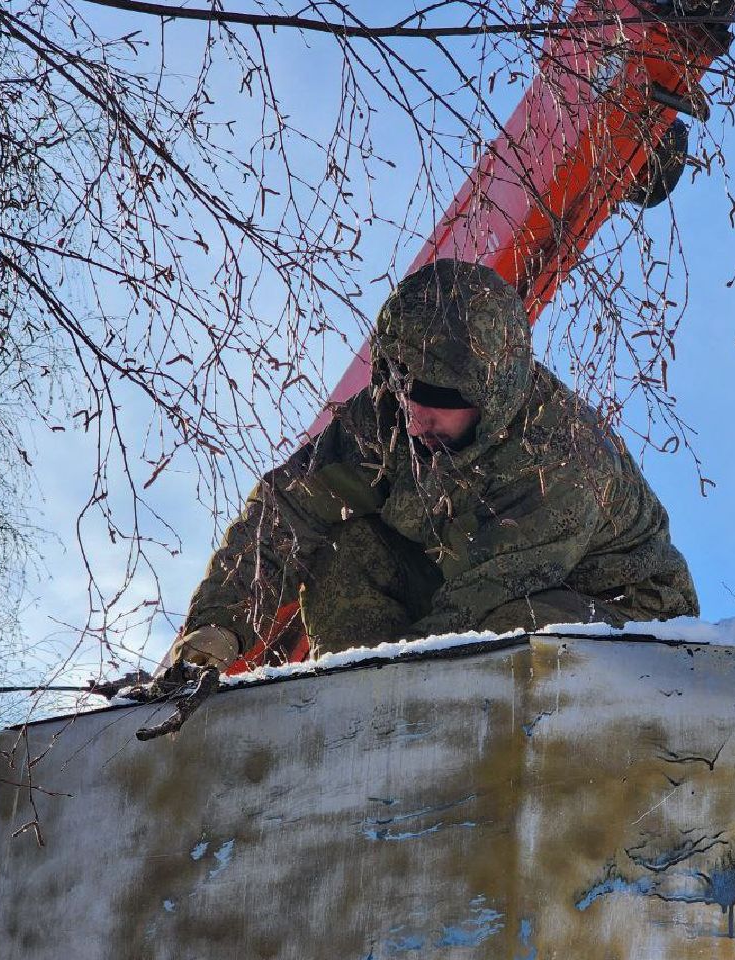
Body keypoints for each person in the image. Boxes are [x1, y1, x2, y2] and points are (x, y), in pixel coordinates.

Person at [170, 259, 698, 672]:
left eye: (438, 397)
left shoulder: (560, 462)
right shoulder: (386, 418)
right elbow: (286, 513)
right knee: (344, 553)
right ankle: (354, 720)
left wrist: (405, 688)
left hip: (626, 616)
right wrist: (217, 626)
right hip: (462, 582)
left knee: (509, 635)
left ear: (492, 394)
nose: (415, 416)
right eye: (403, 387)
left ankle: (412, 736)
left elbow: (473, 612)